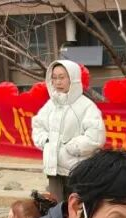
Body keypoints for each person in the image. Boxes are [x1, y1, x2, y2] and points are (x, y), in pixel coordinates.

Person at [32, 60, 103, 202]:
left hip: (77, 171)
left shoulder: (86, 106)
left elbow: (96, 137)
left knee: (76, 207)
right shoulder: (50, 105)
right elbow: (38, 127)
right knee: (55, 208)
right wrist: (46, 141)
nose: (58, 82)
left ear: (73, 79)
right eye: (54, 78)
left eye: (62, 77)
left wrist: (73, 147)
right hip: (53, 170)